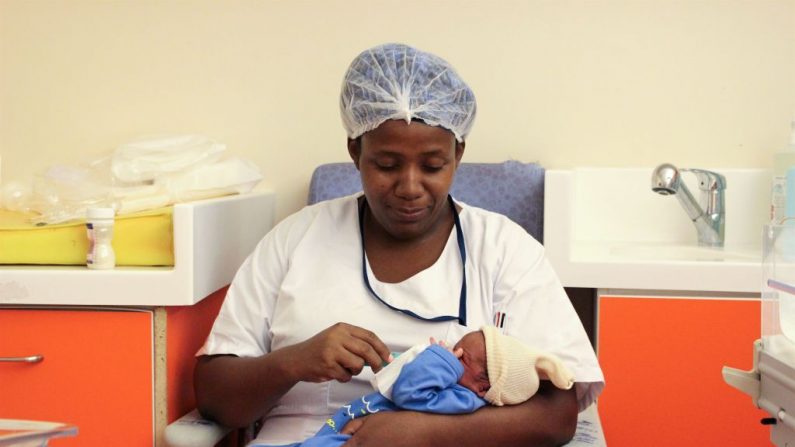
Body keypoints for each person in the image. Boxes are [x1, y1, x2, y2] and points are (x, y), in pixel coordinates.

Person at [194, 42, 604, 447]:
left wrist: (426, 434)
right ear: (356, 151)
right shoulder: (294, 240)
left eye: (432, 166)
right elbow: (215, 397)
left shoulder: (505, 250)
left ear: (457, 154)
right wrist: (294, 361)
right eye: (387, 165)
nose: (409, 187)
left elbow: (558, 415)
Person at [252, 327, 576, 447]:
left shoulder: (464, 401)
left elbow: (411, 394)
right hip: (338, 431)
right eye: (453, 348)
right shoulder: (460, 387)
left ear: (484, 385)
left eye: (462, 356)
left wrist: (440, 361)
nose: (452, 352)